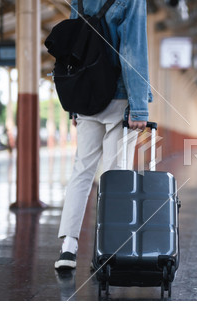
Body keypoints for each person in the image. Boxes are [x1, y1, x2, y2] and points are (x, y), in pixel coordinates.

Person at [54, 0, 153, 269]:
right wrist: (140, 107)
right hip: (119, 97)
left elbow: (71, 49)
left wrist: (73, 105)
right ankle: (107, 248)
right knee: (115, 176)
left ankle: (68, 248)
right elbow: (133, 49)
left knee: (82, 171)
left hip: (86, 96)